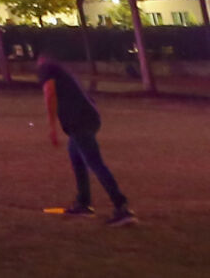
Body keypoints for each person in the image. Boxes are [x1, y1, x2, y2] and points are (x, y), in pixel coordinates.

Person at [34, 54, 136, 227]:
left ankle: (121, 207)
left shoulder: (46, 70)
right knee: (76, 158)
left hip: (80, 121)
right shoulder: (62, 72)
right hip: (86, 118)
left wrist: (52, 127)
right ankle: (83, 203)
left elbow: (49, 92)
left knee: (95, 163)